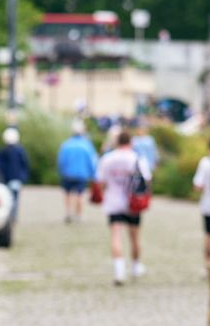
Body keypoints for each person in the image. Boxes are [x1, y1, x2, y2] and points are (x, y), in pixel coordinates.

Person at [95, 131, 151, 285]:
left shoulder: (107, 159)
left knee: (116, 235)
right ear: (131, 142)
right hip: (133, 202)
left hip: (113, 201)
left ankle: (119, 272)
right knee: (135, 237)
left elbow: (100, 181)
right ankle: (135, 266)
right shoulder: (137, 158)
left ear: (117, 142)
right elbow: (147, 181)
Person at [56, 120, 98, 223]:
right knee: (80, 195)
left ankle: (67, 213)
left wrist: (61, 171)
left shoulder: (66, 144)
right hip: (81, 174)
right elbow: (92, 160)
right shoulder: (87, 145)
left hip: (67, 174)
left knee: (67, 194)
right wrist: (93, 174)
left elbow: (61, 160)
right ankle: (78, 215)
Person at [0, 127, 29, 219]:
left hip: (5, 180)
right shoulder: (20, 151)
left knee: (7, 199)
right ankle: (13, 217)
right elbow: (25, 165)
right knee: (15, 199)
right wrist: (23, 178)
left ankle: (8, 216)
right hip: (16, 179)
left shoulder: (2, 152)